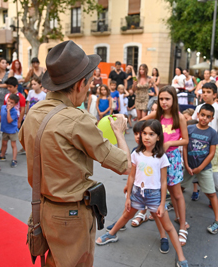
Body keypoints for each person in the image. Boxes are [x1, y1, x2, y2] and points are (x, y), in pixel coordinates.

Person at [19, 40, 131, 267]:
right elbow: (124, 164)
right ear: (80, 84)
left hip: (43, 208)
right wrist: (119, 132)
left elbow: (26, 143)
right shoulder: (77, 119)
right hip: (71, 215)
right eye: (89, 84)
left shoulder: (34, 111)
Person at [96, 120, 189, 267]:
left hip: (154, 197)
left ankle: (181, 257)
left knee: (169, 227)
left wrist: (162, 203)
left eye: (151, 134)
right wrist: (128, 197)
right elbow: (132, 176)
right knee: (126, 215)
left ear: (158, 137)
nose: (146, 137)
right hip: (137, 193)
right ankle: (111, 234)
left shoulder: (161, 157)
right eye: (144, 133)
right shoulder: (136, 154)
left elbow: (164, 182)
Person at [142, 86, 189, 246]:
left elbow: (185, 140)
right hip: (156, 158)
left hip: (173, 158)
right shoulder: (156, 115)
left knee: (176, 193)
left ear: (174, 100)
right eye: (161, 99)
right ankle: (174, 217)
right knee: (162, 190)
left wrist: (169, 143)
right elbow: (141, 123)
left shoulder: (180, 117)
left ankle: (183, 226)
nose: (163, 102)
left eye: (167, 99)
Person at [183, 104, 218, 234]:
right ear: (198, 114)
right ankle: (177, 214)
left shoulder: (212, 133)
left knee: (211, 193)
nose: (204, 118)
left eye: (208, 116)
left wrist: (200, 167)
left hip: (203, 168)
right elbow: (184, 147)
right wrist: (186, 164)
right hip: (188, 167)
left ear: (212, 118)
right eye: (203, 115)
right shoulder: (189, 128)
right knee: (179, 189)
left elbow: (211, 153)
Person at [0, 94, 20, 168]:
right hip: (5, 129)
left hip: (12, 130)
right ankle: (2, 155)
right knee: (4, 143)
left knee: (13, 145)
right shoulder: (3, 107)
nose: (9, 104)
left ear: (15, 104)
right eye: (8, 101)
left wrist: (8, 111)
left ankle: (14, 159)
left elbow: (9, 120)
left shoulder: (14, 112)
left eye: (11, 103)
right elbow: (0, 116)